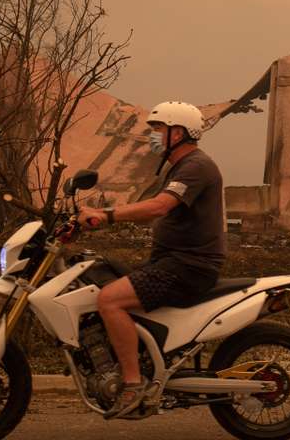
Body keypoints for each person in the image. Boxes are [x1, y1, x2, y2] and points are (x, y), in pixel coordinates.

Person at [78, 101, 224, 417]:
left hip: (187, 266)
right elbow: (148, 213)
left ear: (179, 132)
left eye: (158, 129)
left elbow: (158, 207)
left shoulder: (197, 166)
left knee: (110, 300)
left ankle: (133, 385)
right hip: (171, 262)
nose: (153, 136)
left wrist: (106, 215)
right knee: (100, 275)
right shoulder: (178, 168)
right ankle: (141, 362)